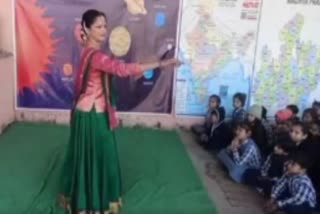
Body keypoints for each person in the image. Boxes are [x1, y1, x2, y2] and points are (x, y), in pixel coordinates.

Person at [58, 9, 179, 214]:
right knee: (99, 157)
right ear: (86, 28)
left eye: (105, 25)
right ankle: (92, 203)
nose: (104, 30)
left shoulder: (87, 50)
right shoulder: (96, 56)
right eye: (98, 26)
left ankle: (84, 196)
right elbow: (122, 70)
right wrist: (162, 63)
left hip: (88, 113)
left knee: (89, 157)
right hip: (92, 116)